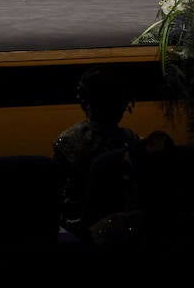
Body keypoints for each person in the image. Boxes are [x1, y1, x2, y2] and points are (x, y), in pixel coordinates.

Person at [51, 67, 139, 240]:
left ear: (85, 102)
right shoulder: (133, 141)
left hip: (81, 232)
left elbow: (60, 197)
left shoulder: (69, 141)